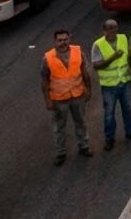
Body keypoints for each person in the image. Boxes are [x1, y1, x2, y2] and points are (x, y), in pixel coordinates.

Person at [42, 29, 93, 165]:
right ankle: (60, 153)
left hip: (78, 95)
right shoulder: (48, 58)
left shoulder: (78, 52)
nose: (63, 43)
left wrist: (88, 90)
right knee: (59, 127)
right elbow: (44, 80)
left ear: (69, 39)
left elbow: (85, 72)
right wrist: (48, 100)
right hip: (59, 100)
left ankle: (84, 146)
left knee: (81, 122)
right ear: (55, 42)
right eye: (60, 40)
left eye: (65, 39)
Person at [92, 19, 131, 151]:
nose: (113, 31)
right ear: (104, 31)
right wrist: (113, 57)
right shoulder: (98, 44)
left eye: (115, 28)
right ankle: (109, 139)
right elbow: (96, 65)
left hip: (124, 81)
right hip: (109, 86)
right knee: (109, 113)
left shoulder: (123, 38)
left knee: (128, 109)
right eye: (110, 29)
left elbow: (129, 54)